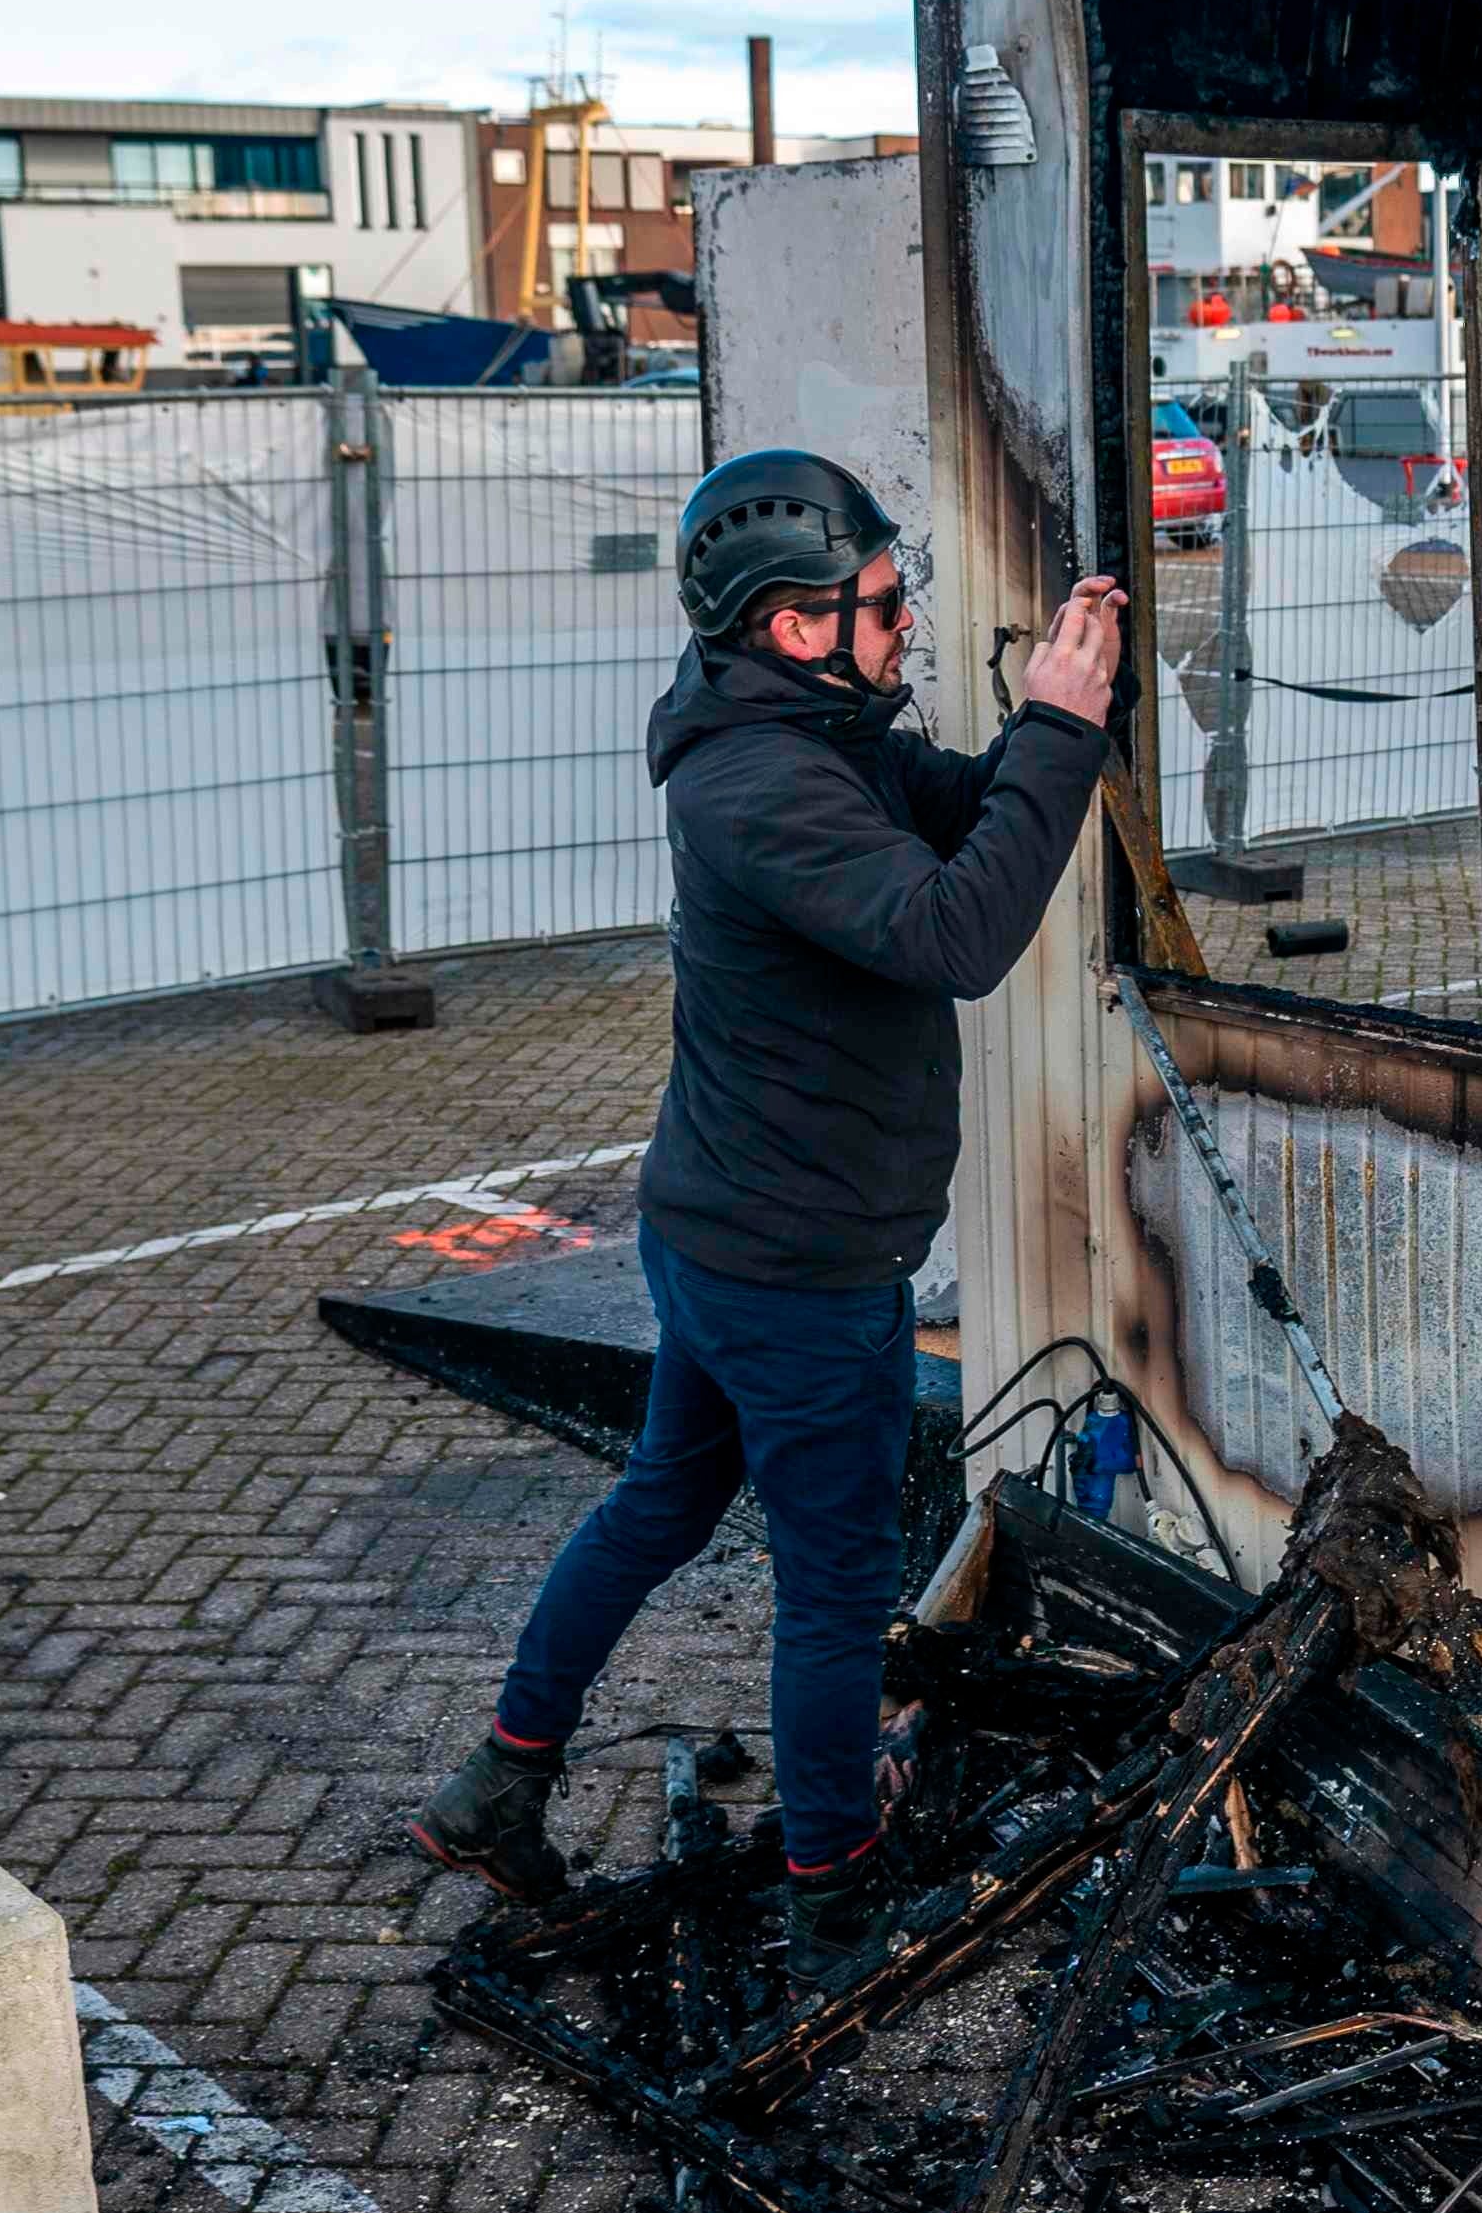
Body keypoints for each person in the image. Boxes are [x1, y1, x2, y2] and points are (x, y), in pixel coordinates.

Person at [410, 448, 1130, 1975]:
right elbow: (958, 929)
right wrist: (1058, 737)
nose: (906, 621)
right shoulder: (764, 788)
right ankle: (834, 1897)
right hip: (794, 1271)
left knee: (661, 1505)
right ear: (798, 623)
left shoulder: (806, 732)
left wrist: (1055, 722)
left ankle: (496, 1785)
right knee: (834, 1590)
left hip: (727, 1237)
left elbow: (958, 806)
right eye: (883, 600)